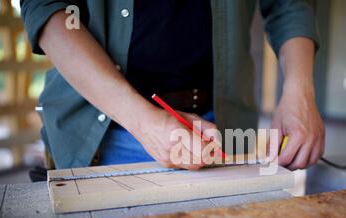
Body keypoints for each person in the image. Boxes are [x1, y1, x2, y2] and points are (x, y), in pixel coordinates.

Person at [20, 0, 324, 171]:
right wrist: (145, 121)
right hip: (103, 137)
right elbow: (46, 7)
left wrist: (300, 91)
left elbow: (290, 3)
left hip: (223, 127)